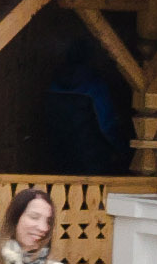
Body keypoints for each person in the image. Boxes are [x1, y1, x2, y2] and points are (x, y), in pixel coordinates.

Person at [39, 37, 130, 179]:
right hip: (91, 160)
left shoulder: (53, 85)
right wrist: (124, 150)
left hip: (58, 157)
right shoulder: (95, 86)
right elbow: (107, 126)